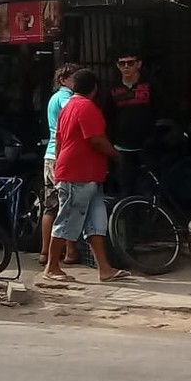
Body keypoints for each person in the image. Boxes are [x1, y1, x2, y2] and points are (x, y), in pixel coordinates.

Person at [43, 69, 129, 284]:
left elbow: (60, 141)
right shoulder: (86, 107)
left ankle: (105, 269)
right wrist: (116, 155)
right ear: (95, 88)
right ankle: (52, 267)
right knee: (67, 220)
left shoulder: (68, 107)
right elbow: (96, 140)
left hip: (85, 174)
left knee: (96, 222)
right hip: (78, 174)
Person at [105, 49, 161, 197]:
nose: (126, 67)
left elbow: (160, 112)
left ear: (139, 64)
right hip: (122, 149)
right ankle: (125, 219)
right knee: (125, 189)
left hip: (147, 148)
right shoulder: (112, 90)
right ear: (118, 66)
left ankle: (148, 219)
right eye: (122, 63)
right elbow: (108, 118)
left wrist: (155, 138)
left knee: (148, 191)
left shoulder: (151, 86)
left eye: (130, 63)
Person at [40, 63, 80, 267]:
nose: (76, 82)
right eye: (74, 78)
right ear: (63, 80)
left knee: (50, 206)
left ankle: (45, 251)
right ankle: (70, 251)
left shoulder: (54, 98)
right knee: (67, 204)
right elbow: (74, 114)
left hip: (50, 156)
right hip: (60, 155)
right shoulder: (66, 97)